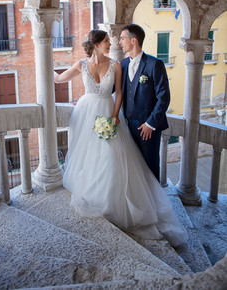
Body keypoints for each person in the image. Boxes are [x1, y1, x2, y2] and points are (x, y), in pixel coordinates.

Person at [54, 29, 187, 246]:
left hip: (116, 115)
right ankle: (94, 192)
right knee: (91, 154)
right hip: (87, 113)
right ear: (96, 44)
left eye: (118, 39)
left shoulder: (125, 64)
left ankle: (138, 201)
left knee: (123, 159)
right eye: (107, 40)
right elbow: (60, 78)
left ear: (132, 41)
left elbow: (123, 93)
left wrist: (115, 116)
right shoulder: (94, 64)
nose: (114, 42)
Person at [119, 24, 170, 181]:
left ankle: (154, 202)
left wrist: (150, 124)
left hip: (148, 127)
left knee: (150, 166)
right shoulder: (124, 64)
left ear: (133, 40)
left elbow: (164, 97)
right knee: (134, 166)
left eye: (122, 38)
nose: (120, 42)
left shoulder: (155, 64)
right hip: (128, 125)